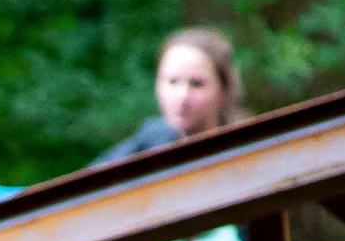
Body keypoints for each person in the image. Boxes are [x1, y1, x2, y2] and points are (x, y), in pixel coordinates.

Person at [100, 24, 241, 165]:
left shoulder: (242, 150)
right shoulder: (150, 140)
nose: (183, 96)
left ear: (223, 89)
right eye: (173, 82)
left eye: (197, 84)